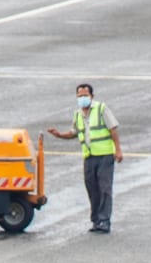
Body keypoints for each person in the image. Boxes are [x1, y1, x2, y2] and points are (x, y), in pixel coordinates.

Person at [47, 83, 121, 233]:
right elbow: (74, 132)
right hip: (89, 157)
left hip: (105, 155)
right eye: (79, 96)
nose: (82, 98)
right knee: (92, 189)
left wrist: (118, 150)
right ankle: (96, 221)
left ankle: (104, 221)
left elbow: (113, 129)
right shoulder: (78, 114)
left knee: (104, 189)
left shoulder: (101, 109)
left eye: (85, 96)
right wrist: (59, 135)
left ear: (92, 96)